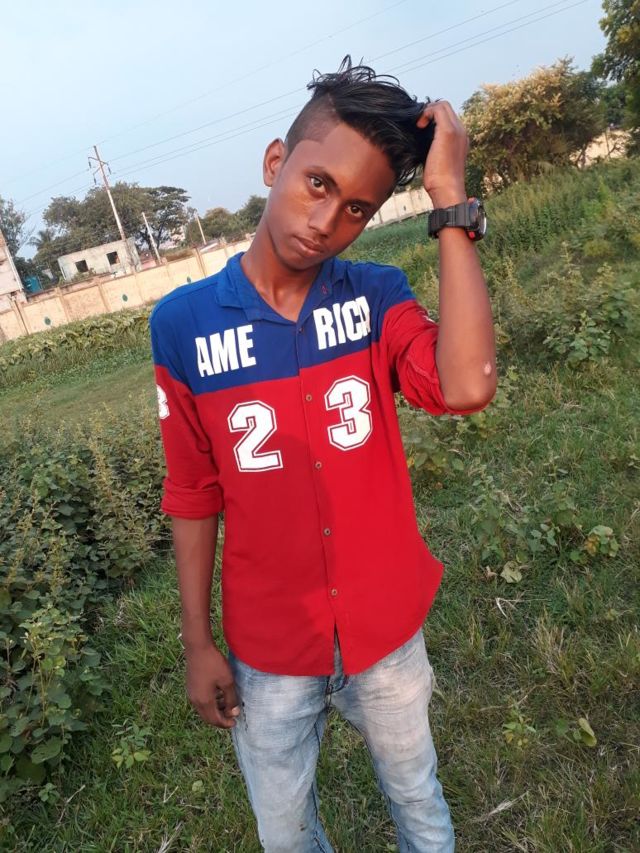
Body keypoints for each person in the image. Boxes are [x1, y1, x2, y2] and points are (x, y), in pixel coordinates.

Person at [150, 55, 496, 852]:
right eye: (316, 184)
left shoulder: (375, 296)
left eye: (356, 208)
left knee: (419, 804)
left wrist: (449, 198)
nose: (327, 219)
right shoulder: (183, 325)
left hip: (385, 631)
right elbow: (193, 490)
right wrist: (197, 641)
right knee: (286, 831)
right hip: (270, 647)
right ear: (275, 161)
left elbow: (468, 383)